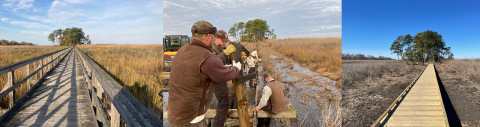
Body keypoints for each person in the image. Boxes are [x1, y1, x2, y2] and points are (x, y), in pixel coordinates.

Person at [167, 20, 242, 127]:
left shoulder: (182, 51)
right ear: (208, 37)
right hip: (192, 118)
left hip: (174, 114)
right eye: (213, 37)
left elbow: (198, 70)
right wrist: (236, 68)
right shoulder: (207, 57)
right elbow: (224, 74)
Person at [210, 30, 237, 127]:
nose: (225, 43)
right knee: (223, 107)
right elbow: (213, 63)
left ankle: (228, 122)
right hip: (218, 84)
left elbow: (224, 61)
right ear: (216, 38)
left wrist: (236, 55)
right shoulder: (211, 49)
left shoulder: (220, 48)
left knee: (228, 104)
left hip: (224, 83)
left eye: (226, 41)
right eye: (223, 40)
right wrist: (225, 53)